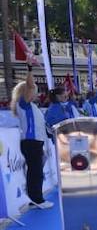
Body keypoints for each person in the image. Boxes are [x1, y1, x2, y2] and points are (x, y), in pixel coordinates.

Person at [10, 73, 53, 209]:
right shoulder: (23, 104)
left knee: (35, 172)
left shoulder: (32, 106)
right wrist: (29, 68)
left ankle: (34, 199)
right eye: (34, 90)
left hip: (35, 142)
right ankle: (37, 200)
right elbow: (29, 85)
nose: (36, 93)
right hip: (31, 142)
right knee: (35, 173)